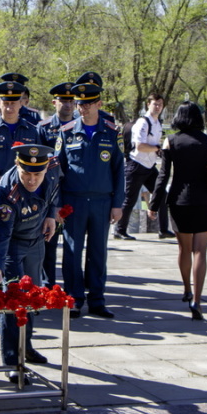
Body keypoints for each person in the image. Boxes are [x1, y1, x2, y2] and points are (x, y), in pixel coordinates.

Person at [0, 144, 59, 383]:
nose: (33, 179)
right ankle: (11, 361)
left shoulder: (49, 171)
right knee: (14, 301)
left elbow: (53, 193)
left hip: (35, 241)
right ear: (18, 166)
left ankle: (26, 345)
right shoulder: (9, 189)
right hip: (11, 244)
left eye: (38, 174)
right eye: (27, 174)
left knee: (33, 296)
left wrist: (51, 215)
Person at [55, 83, 124, 319]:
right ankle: (73, 299)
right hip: (73, 202)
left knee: (98, 252)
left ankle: (97, 299)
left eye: (88, 103)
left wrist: (118, 203)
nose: (83, 108)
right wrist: (57, 205)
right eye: (80, 103)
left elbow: (118, 170)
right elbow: (58, 170)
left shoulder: (112, 132)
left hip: (102, 201)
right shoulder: (66, 131)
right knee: (73, 251)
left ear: (98, 104)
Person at [148, 102, 207, 321]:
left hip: (179, 199)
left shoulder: (172, 140)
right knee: (201, 251)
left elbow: (163, 175)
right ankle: (197, 298)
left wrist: (154, 204)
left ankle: (186, 288)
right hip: (204, 199)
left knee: (184, 249)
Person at [115, 93, 174, 240]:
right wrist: (157, 148)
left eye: (160, 104)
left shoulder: (157, 123)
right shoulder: (142, 123)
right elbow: (140, 146)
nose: (158, 107)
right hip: (136, 165)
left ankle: (163, 230)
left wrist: (157, 150)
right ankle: (119, 230)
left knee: (161, 195)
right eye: (155, 104)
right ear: (148, 104)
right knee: (130, 199)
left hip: (149, 166)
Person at [37, 82, 76, 286]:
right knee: (48, 244)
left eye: (71, 100)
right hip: (50, 194)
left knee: (73, 246)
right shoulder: (43, 128)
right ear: (54, 102)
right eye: (63, 100)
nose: (68, 104)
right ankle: (48, 286)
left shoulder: (80, 126)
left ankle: (73, 290)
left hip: (74, 193)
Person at [0, 81, 40, 188]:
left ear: (20, 104)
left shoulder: (32, 131)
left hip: (24, 189)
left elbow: (39, 163)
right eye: (6, 103)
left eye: (13, 103)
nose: (9, 108)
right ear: (0, 103)